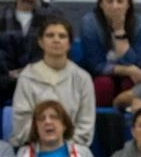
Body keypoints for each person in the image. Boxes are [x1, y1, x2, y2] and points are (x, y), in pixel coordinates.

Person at [10, 16, 97, 147]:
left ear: (69, 43)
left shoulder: (82, 78)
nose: (56, 40)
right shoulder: (27, 77)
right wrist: (46, 143)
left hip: (73, 148)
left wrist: (62, 145)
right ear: (40, 42)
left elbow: (86, 125)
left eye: (62, 36)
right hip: (35, 148)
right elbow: (21, 124)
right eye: (50, 35)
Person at [77, 0, 141, 107]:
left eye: (120, 1)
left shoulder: (140, 24)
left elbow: (136, 62)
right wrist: (127, 70)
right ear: (101, 4)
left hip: (131, 74)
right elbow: (95, 64)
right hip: (98, 74)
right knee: (103, 85)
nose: (115, 6)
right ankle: (103, 122)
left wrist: (119, 30)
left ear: (128, 4)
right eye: (109, 1)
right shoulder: (89, 23)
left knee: (132, 83)